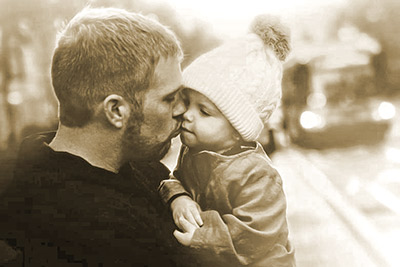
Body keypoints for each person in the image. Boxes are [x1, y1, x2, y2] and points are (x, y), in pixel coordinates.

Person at [0, 7, 197, 266]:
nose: (182, 109)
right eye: (169, 98)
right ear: (116, 110)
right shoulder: (93, 229)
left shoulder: (140, 167)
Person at [159, 15, 296, 266]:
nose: (186, 114)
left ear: (237, 130)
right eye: (187, 102)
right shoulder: (194, 151)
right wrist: (178, 198)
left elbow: (255, 234)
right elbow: (174, 179)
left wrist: (202, 235)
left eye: (204, 112)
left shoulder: (257, 173)